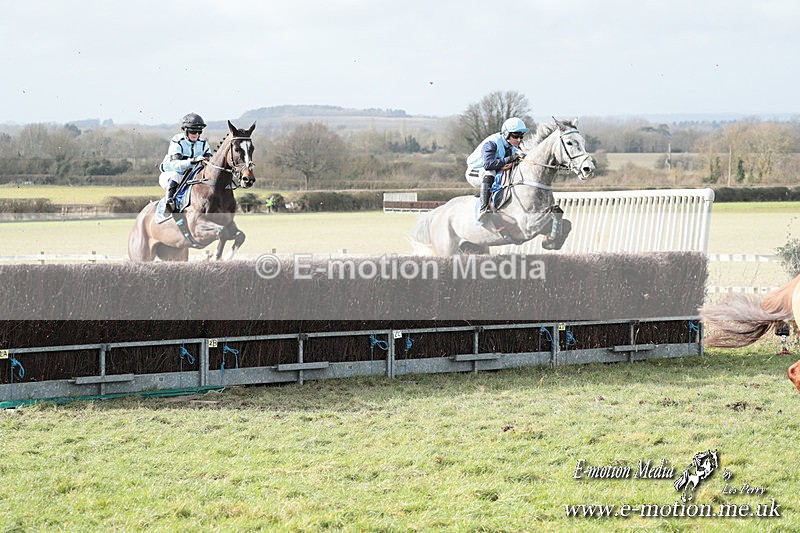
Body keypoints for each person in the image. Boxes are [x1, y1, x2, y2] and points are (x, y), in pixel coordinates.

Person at [465, 117, 529, 221]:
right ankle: (484, 209)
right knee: (490, 172)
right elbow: (488, 164)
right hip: (475, 171)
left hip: (492, 170)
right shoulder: (492, 143)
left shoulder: (513, 146)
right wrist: (510, 159)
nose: (519, 139)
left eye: (521, 136)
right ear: (506, 133)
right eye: (516, 136)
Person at [158, 112, 212, 213]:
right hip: (173, 174)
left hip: (192, 176)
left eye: (199, 132)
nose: (196, 135)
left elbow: (209, 163)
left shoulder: (203, 143)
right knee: (175, 175)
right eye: (193, 132)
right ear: (185, 130)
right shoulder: (177, 141)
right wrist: (193, 160)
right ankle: (169, 203)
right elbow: (175, 165)